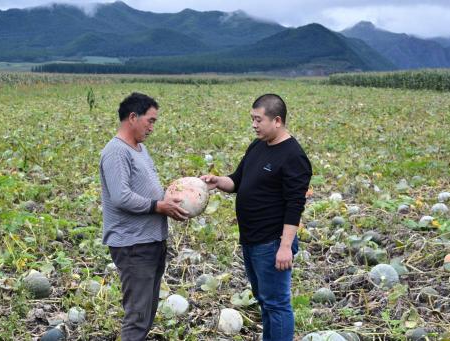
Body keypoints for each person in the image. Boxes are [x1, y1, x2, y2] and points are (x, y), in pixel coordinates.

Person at [201, 94, 312, 341]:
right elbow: (237, 180)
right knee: (265, 302)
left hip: (272, 242)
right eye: (252, 119)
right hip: (251, 240)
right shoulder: (258, 146)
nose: (254, 124)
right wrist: (218, 181)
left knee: (277, 305)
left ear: (277, 121)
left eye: (258, 119)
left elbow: (295, 205)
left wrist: (285, 246)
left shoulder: (293, 156)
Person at [99, 92, 188, 341]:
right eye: (150, 120)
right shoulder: (116, 152)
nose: (152, 127)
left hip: (150, 242)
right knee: (137, 316)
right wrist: (159, 206)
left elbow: (148, 190)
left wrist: (173, 200)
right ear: (132, 117)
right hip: (132, 244)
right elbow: (121, 196)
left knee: (147, 311)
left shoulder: (139, 149)